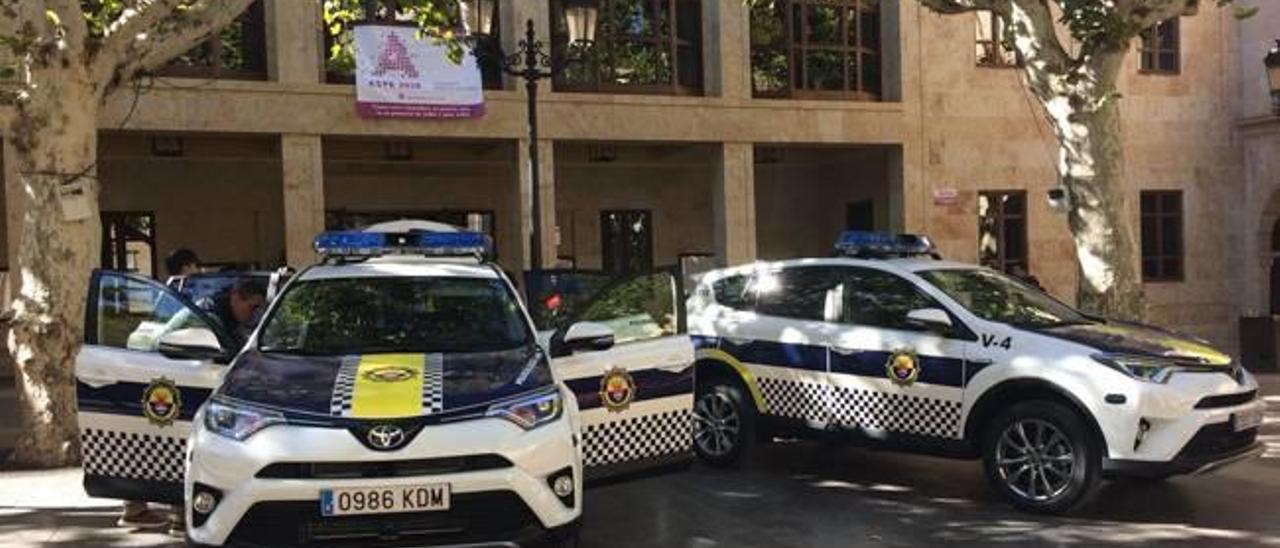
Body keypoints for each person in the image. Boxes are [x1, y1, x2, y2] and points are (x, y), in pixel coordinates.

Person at [199, 277, 268, 348]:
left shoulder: (235, 318)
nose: (256, 314)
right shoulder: (209, 316)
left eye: (259, 309)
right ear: (235, 298)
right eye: (253, 307)